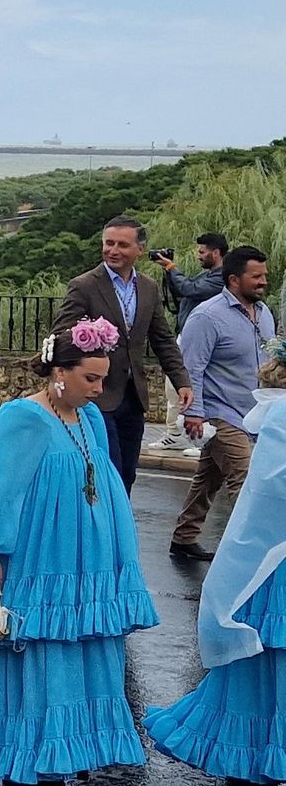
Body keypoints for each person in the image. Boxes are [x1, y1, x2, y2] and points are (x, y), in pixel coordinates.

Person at [0, 318, 158, 786]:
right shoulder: (23, 415)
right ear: (59, 371)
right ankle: (32, 757)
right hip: (43, 554)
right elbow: (4, 490)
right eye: (90, 378)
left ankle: (74, 745)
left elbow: (101, 480)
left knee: (84, 644)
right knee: (41, 645)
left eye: (104, 379)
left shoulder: (90, 417)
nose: (100, 389)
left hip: (88, 558)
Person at [144, 347, 286, 786]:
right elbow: (272, 492)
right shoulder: (279, 416)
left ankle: (259, 757)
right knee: (266, 657)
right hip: (275, 559)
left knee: (269, 658)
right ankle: (251, 755)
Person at [53, 216, 192, 494]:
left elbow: (162, 338)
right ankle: (101, 530)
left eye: (122, 245)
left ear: (139, 249)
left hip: (133, 395)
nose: (113, 250)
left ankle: (119, 531)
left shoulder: (148, 287)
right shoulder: (85, 285)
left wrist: (181, 380)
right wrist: (91, 337)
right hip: (97, 396)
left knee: (127, 473)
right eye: (109, 243)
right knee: (109, 469)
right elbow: (61, 335)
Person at [168, 247, 274, 560]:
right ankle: (255, 552)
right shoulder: (206, 317)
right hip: (218, 415)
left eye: (264, 276)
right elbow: (191, 368)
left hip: (253, 413)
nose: (263, 282)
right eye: (256, 277)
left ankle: (184, 538)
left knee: (208, 477)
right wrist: (195, 413)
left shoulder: (264, 313)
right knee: (247, 479)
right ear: (233, 279)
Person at [149, 233, 227, 456]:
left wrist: (172, 268)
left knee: (192, 385)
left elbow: (190, 290)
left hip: (201, 338)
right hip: (187, 333)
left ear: (216, 253)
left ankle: (201, 439)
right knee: (173, 387)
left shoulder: (220, 277)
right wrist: (170, 274)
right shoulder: (207, 275)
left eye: (202, 252)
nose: (199, 255)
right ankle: (175, 434)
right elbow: (184, 291)